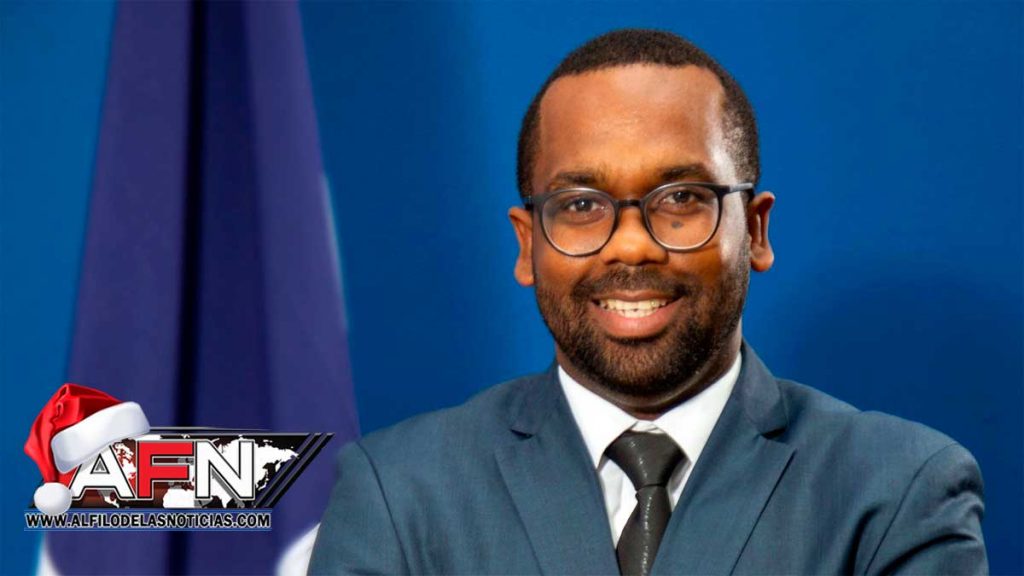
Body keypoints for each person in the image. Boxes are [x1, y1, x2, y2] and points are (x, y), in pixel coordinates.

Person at [309, 29, 986, 575]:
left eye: (681, 198)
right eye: (581, 205)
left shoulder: (898, 490)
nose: (631, 246)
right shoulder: (398, 491)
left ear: (755, 231)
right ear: (527, 243)